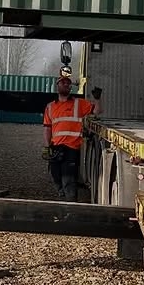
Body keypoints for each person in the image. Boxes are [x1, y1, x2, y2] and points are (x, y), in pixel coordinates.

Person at [43, 73, 102, 201]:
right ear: (57, 85)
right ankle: (63, 195)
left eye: (68, 83)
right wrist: (47, 147)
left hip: (72, 148)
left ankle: (70, 203)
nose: (66, 85)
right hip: (56, 147)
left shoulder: (78, 103)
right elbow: (47, 128)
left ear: (70, 87)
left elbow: (97, 111)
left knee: (68, 178)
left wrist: (97, 99)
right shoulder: (50, 107)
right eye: (63, 82)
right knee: (55, 175)